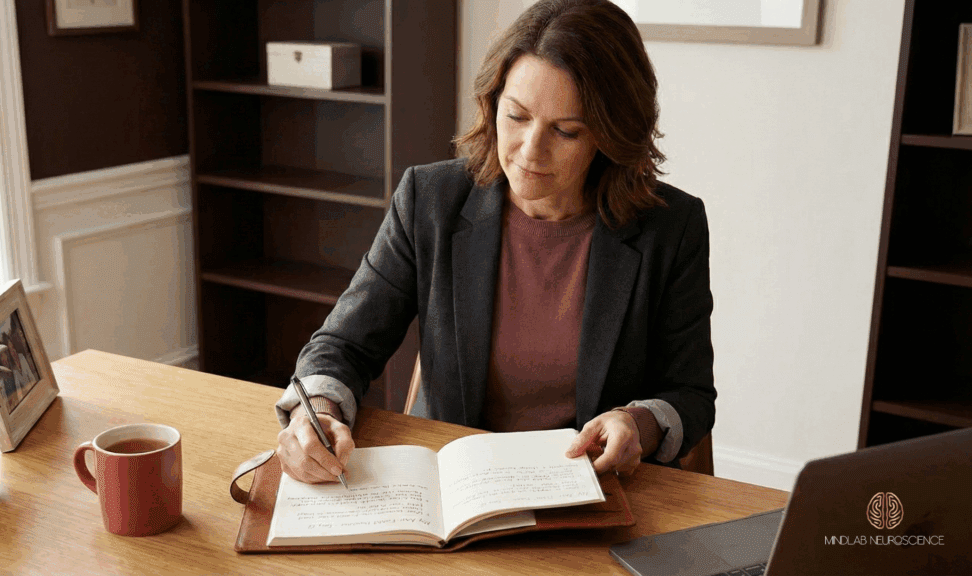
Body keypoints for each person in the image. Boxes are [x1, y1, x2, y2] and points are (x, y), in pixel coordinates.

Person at [275, 0, 715, 485]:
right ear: (492, 102)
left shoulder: (672, 228)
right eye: (517, 116)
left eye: (567, 131)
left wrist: (640, 423)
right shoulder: (430, 200)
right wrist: (313, 412)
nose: (530, 151)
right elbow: (343, 344)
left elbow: (689, 393)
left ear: (610, 138)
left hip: (590, 491)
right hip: (456, 481)